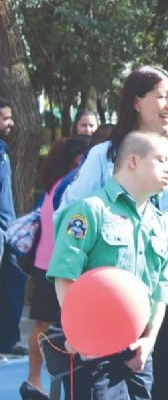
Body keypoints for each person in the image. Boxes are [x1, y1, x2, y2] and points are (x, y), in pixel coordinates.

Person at [60, 66, 168, 400]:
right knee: (111, 382)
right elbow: (68, 213)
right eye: (161, 96)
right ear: (137, 102)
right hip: (113, 284)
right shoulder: (103, 156)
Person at [48, 131, 168, 400]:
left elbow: (160, 292)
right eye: (161, 160)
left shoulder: (159, 222)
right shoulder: (90, 210)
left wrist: (148, 341)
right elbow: (64, 276)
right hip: (93, 350)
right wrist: (83, 336)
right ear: (132, 162)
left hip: (138, 351)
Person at [20, 135, 90, 400]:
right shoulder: (72, 186)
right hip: (59, 268)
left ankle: (33, 378)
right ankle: (51, 384)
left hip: (43, 263)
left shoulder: (54, 186)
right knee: (62, 332)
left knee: (41, 327)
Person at [0, 97, 27, 358]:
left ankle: (7, 339)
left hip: (7, 230)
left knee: (12, 283)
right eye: (6, 117)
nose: (11, 123)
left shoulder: (2, 148)